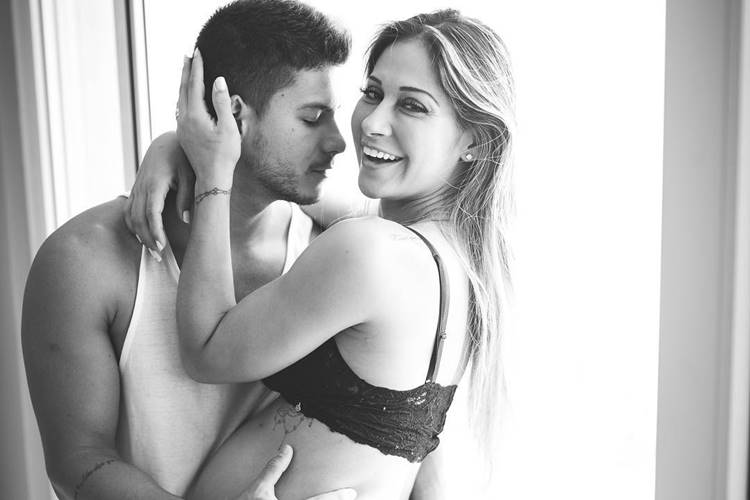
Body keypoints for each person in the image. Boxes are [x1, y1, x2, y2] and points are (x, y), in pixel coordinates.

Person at [130, 8, 515, 499]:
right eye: (372, 93)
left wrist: (211, 173)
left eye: (412, 106)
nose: (372, 122)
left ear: (475, 142)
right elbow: (295, 188)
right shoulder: (457, 261)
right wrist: (174, 148)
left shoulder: (371, 251)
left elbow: (207, 351)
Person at [21, 1, 358, 499]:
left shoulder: (336, 251)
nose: (338, 142)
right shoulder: (83, 260)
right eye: (313, 118)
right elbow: (77, 460)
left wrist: (174, 143)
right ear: (233, 115)